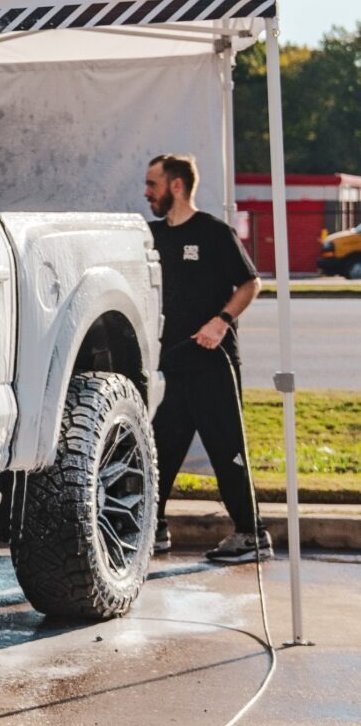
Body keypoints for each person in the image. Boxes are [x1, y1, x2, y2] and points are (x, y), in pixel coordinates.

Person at [144, 152, 270, 564]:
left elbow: (251, 283)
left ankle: (251, 535)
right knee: (157, 450)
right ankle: (153, 527)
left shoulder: (213, 232)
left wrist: (221, 321)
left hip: (213, 364)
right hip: (172, 363)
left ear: (176, 185)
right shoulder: (151, 236)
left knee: (226, 448)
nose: (146, 192)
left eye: (153, 184)